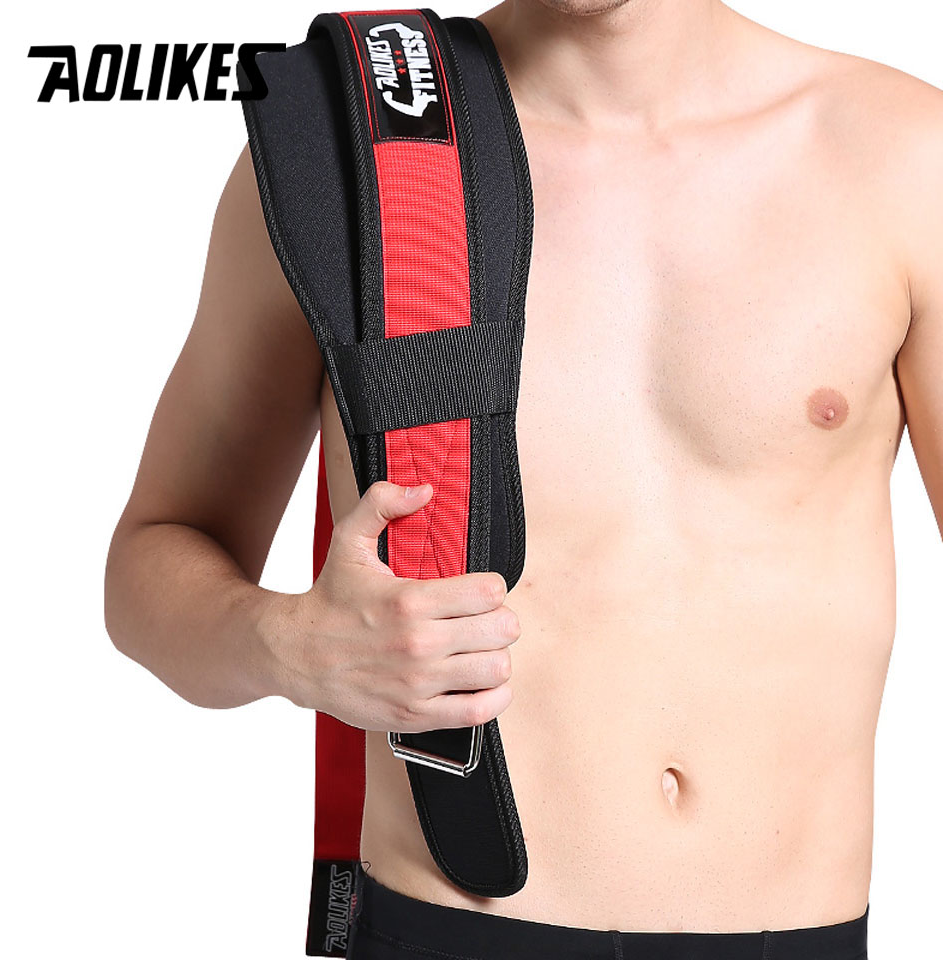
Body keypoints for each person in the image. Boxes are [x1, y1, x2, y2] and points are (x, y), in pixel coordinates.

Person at [103, 1, 943, 957]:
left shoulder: (905, 159)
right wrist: (287, 646)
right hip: (453, 927)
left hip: (795, 931)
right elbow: (150, 559)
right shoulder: (344, 152)